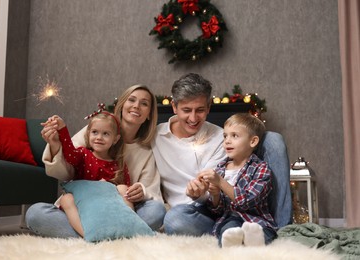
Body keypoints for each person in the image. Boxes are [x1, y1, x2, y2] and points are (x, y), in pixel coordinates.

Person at [152, 73, 292, 236]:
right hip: (191, 214)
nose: (193, 118)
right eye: (186, 110)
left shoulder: (222, 138)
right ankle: (230, 232)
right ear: (174, 107)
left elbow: (221, 184)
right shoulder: (156, 136)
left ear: (209, 107)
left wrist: (205, 192)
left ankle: (283, 229)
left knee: (273, 140)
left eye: (200, 110)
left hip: (218, 204)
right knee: (174, 220)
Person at [26, 85, 166, 238]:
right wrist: (55, 144)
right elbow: (67, 164)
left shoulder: (146, 152)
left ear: (149, 114)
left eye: (144, 103)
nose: (136, 106)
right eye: (131, 100)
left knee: (156, 210)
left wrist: (141, 190)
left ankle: (101, 234)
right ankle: (108, 235)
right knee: (35, 213)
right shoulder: (95, 128)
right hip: (82, 208)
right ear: (122, 105)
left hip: (117, 211)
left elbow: (151, 192)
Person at [47, 110, 133, 237]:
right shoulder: (83, 154)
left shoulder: (118, 164)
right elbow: (69, 153)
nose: (99, 137)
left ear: (115, 139)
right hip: (83, 207)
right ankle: (88, 235)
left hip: (107, 209)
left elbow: (127, 189)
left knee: (123, 188)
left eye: (106, 134)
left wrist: (109, 187)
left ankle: (129, 225)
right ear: (88, 134)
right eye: (95, 132)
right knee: (66, 199)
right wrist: (62, 129)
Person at [197, 113, 277, 247]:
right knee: (228, 230)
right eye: (225, 136)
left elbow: (247, 201)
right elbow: (217, 210)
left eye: (234, 136)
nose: (227, 140)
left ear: (253, 141)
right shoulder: (221, 168)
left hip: (256, 221)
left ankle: (254, 242)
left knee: (264, 233)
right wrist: (215, 194)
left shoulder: (261, 168)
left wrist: (221, 182)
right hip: (230, 219)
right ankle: (236, 245)